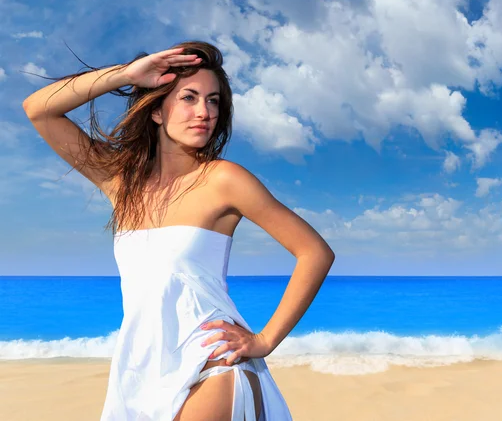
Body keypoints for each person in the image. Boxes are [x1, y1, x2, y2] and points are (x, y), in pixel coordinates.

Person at [22, 41, 335, 420]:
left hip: (212, 365)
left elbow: (315, 252)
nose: (205, 112)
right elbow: (38, 109)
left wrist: (265, 340)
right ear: (156, 110)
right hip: (141, 372)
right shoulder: (122, 183)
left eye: (214, 100)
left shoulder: (224, 179)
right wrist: (126, 74)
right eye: (189, 97)